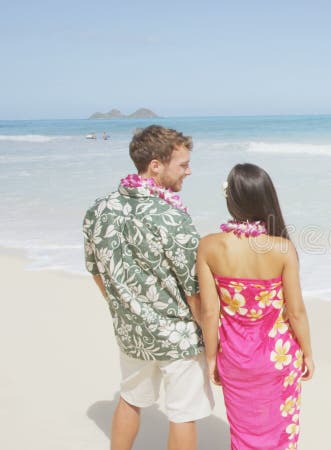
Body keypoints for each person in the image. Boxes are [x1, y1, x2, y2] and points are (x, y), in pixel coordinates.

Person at [82, 125, 214, 450]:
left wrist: (125, 308)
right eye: (182, 164)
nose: (189, 170)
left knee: (130, 398)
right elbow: (194, 290)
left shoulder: (98, 210)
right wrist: (212, 341)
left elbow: (96, 271)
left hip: (131, 332)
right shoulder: (171, 217)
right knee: (183, 415)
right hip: (178, 337)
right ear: (156, 165)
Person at [196, 163, 314, 450]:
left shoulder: (209, 246)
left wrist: (211, 358)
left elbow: (210, 313)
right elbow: (296, 312)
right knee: (281, 434)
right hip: (277, 356)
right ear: (266, 198)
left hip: (235, 357)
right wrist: (308, 353)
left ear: (231, 199)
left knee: (243, 435)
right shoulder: (281, 249)